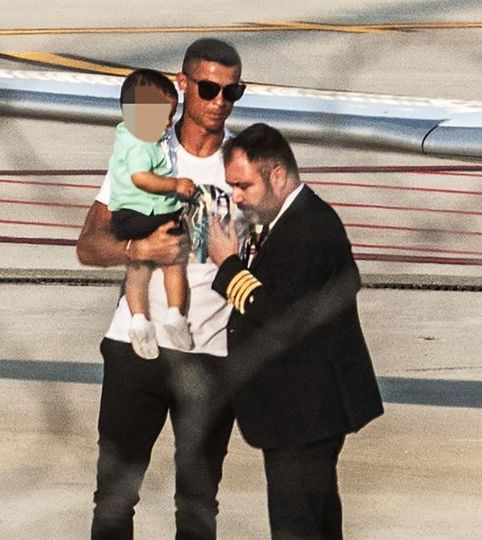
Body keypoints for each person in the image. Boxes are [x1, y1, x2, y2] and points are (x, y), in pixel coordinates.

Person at [76, 38, 247, 540]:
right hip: (137, 349)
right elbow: (89, 244)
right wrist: (138, 249)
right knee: (114, 499)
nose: (219, 102)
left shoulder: (245, 162)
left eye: (232, 91)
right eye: (209, 88)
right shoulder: (145, 146)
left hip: (211, 353)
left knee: (198, 506)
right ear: (183, 84)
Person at [207, 123, 384, 540]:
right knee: (316, 523)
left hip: (304, 414)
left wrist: (228, 265)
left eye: (244, 185)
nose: (236, 196)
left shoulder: (308, 229)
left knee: (296, 526)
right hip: (301, 411)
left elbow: (277, 315)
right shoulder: (287, 220)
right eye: (232, 186)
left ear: (278, 175)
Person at [107, 68, 196, 359]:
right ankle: (175, 314)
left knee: (138, 268)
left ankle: (139, 319)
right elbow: (141, 178)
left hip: (125, 215)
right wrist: (175, 185)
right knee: (174, 261)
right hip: (151, 210)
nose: (169, 124)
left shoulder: (125, 136)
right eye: (164, 117)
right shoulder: (142, 143)